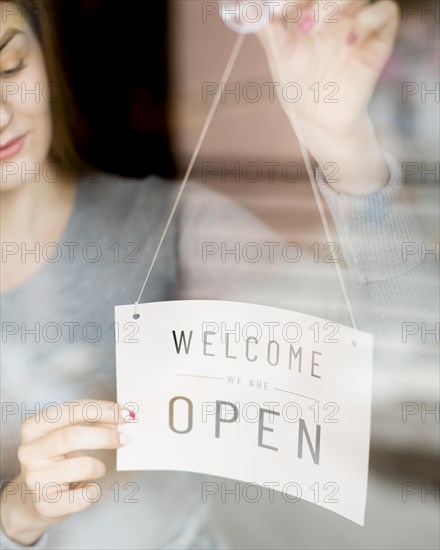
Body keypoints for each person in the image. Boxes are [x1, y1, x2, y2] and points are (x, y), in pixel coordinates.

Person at [0, 0, 437, 548]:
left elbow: (417, 369)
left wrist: (344, 149)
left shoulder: (172, 227)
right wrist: (15, 516)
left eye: (10, 65)